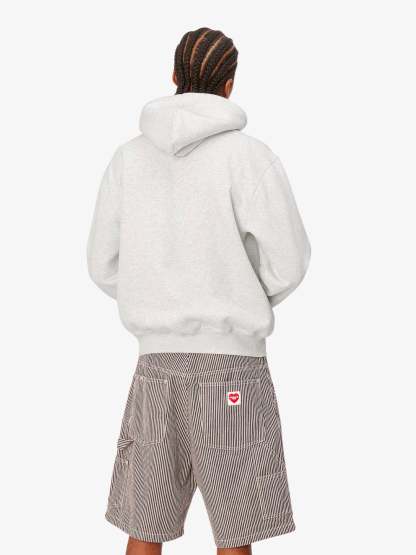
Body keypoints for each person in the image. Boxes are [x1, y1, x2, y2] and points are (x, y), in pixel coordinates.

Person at [88, 27, 310, 555]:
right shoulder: (250, 157)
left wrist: (154, 297)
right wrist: (238, 295)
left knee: (145, 523)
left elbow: (102, 263)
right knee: (235, 527)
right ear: (229, 85)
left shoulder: (127, 159)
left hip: (156, 365)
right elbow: (290, 261)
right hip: (231, 368)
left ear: (173, 75)